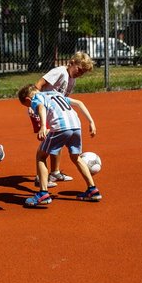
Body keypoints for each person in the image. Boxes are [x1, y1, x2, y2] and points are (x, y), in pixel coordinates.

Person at [18, 83, 102, 207]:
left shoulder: (36, 98)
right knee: (76, 157)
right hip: (76, 126)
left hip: (60, 127)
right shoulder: (56, 94)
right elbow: (79, 103)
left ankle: (43, 194)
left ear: (27, 99)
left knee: (41, 156)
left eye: (28, 105)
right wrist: (91, 121)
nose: (31, 107)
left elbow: (41, 107)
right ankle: (92, 190)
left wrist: (43, 126)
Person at [30, 52, 94, 188]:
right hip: (43, 110)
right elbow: (39, 85)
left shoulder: (72, 79)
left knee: (58, 141)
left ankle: (54, 172)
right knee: (47, 145)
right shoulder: (59, 71)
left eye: (83, 73)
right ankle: (40, 177)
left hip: (55, 113)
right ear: (72, 63)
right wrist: (33, 104)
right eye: (79, 70)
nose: (80, 73)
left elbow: (64, 98)